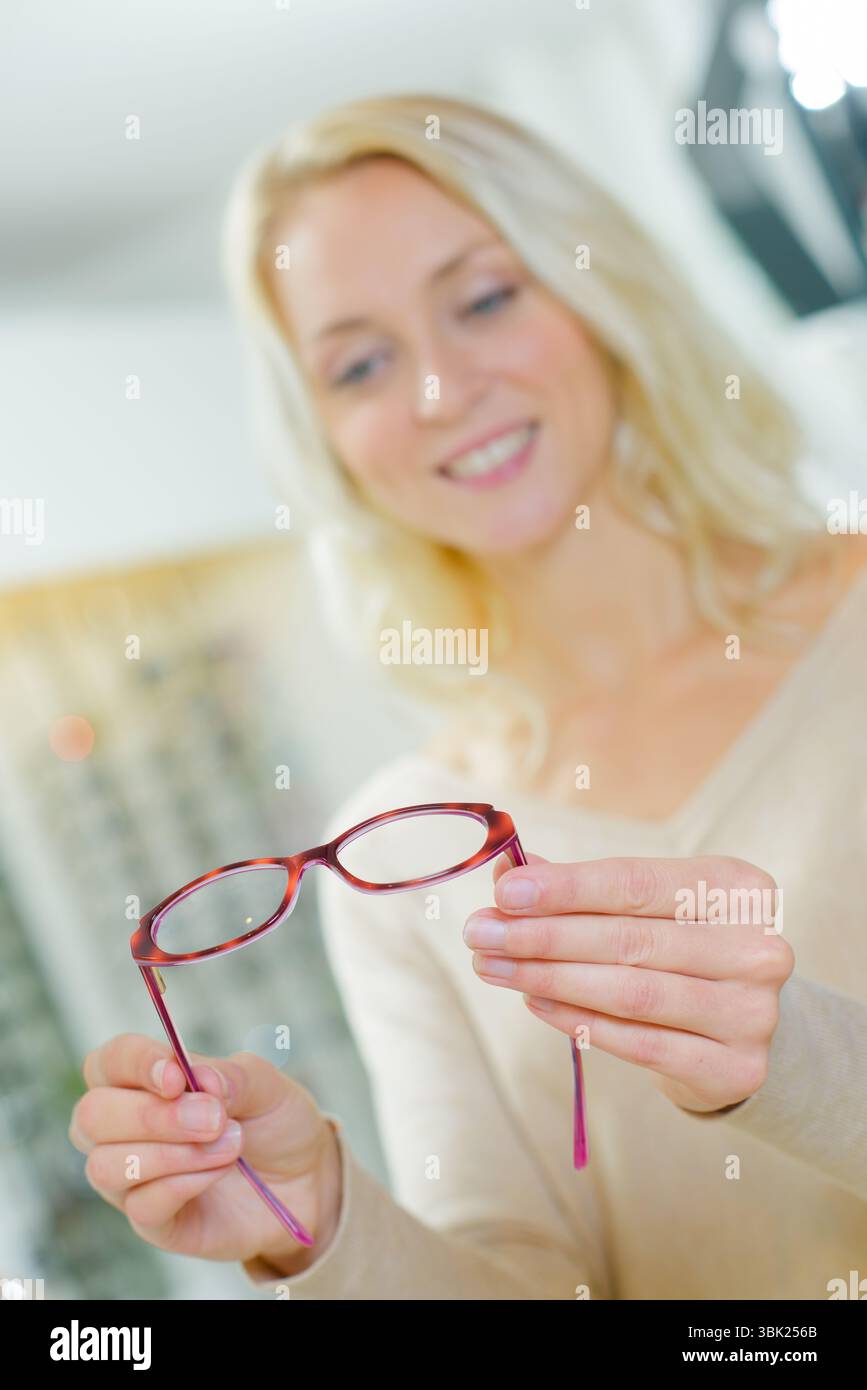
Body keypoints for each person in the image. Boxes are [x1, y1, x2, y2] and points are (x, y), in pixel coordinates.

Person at [70, 93, 867, 1300]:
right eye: (362, 363)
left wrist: (794, 1059)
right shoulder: (404, 861)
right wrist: (322, 1224)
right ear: (328, 438)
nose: (442, 389)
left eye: (485, 297)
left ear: (598, 297)